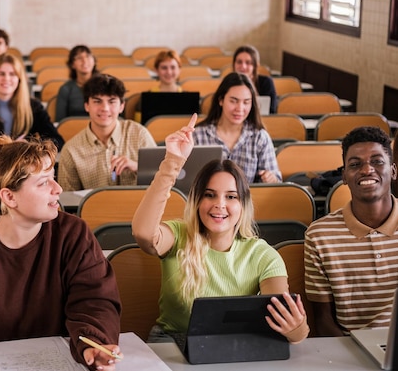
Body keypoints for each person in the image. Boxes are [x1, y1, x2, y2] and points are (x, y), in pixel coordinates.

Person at [0, 133, 122, 370]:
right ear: (9, 197)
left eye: (53, 177)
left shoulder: (73, 233)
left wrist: (93, 343)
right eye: (43, 182)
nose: (58, 189)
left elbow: (95, 300)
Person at [131, 114, 309, 349]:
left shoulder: (262, 255)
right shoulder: (178, 234)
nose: (220, 205)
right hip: (172, 341)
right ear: (196, 200)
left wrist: (295, 328)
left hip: (234, 342)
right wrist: (172, 162)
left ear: (243, 205)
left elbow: (295, 331)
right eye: (209, 195)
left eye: (231, 197)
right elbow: (143, 233)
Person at [305, 126, 398, 336]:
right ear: (344, 176)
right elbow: (323, 320)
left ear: (393, 170)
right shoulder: (319, 236)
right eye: (355, 164)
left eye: (377, 161)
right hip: (353, 352)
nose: (367, 170)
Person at [58, 73, 156, 191]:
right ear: (87, 106)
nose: (105, 108)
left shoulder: (140, 135)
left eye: (111, 101)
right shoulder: (71, 150)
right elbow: (67, 200)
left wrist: (137, 167)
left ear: (121, 106)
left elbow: (164, 180)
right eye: (97, 101)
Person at [193, 72, 281, 183]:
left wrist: (271, 179)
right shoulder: (198, 135)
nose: (239, 108)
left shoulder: (260, 137)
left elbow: (276, 182)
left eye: (246, 102)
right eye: (233, 101)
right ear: (221, 100)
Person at [55, 45, 98, 121]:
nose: (84, 61)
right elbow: (60, 121)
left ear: (94, 61)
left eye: (88, 56)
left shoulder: (104, 87)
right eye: (79, 58)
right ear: (72, 64)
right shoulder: (65, 89)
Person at [232, 45, 277, 114]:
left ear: (256, 66)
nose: (243, 66)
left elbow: (271, 112)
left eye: (248, 63)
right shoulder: (228, 83)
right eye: (239, 62)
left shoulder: (266, 82)